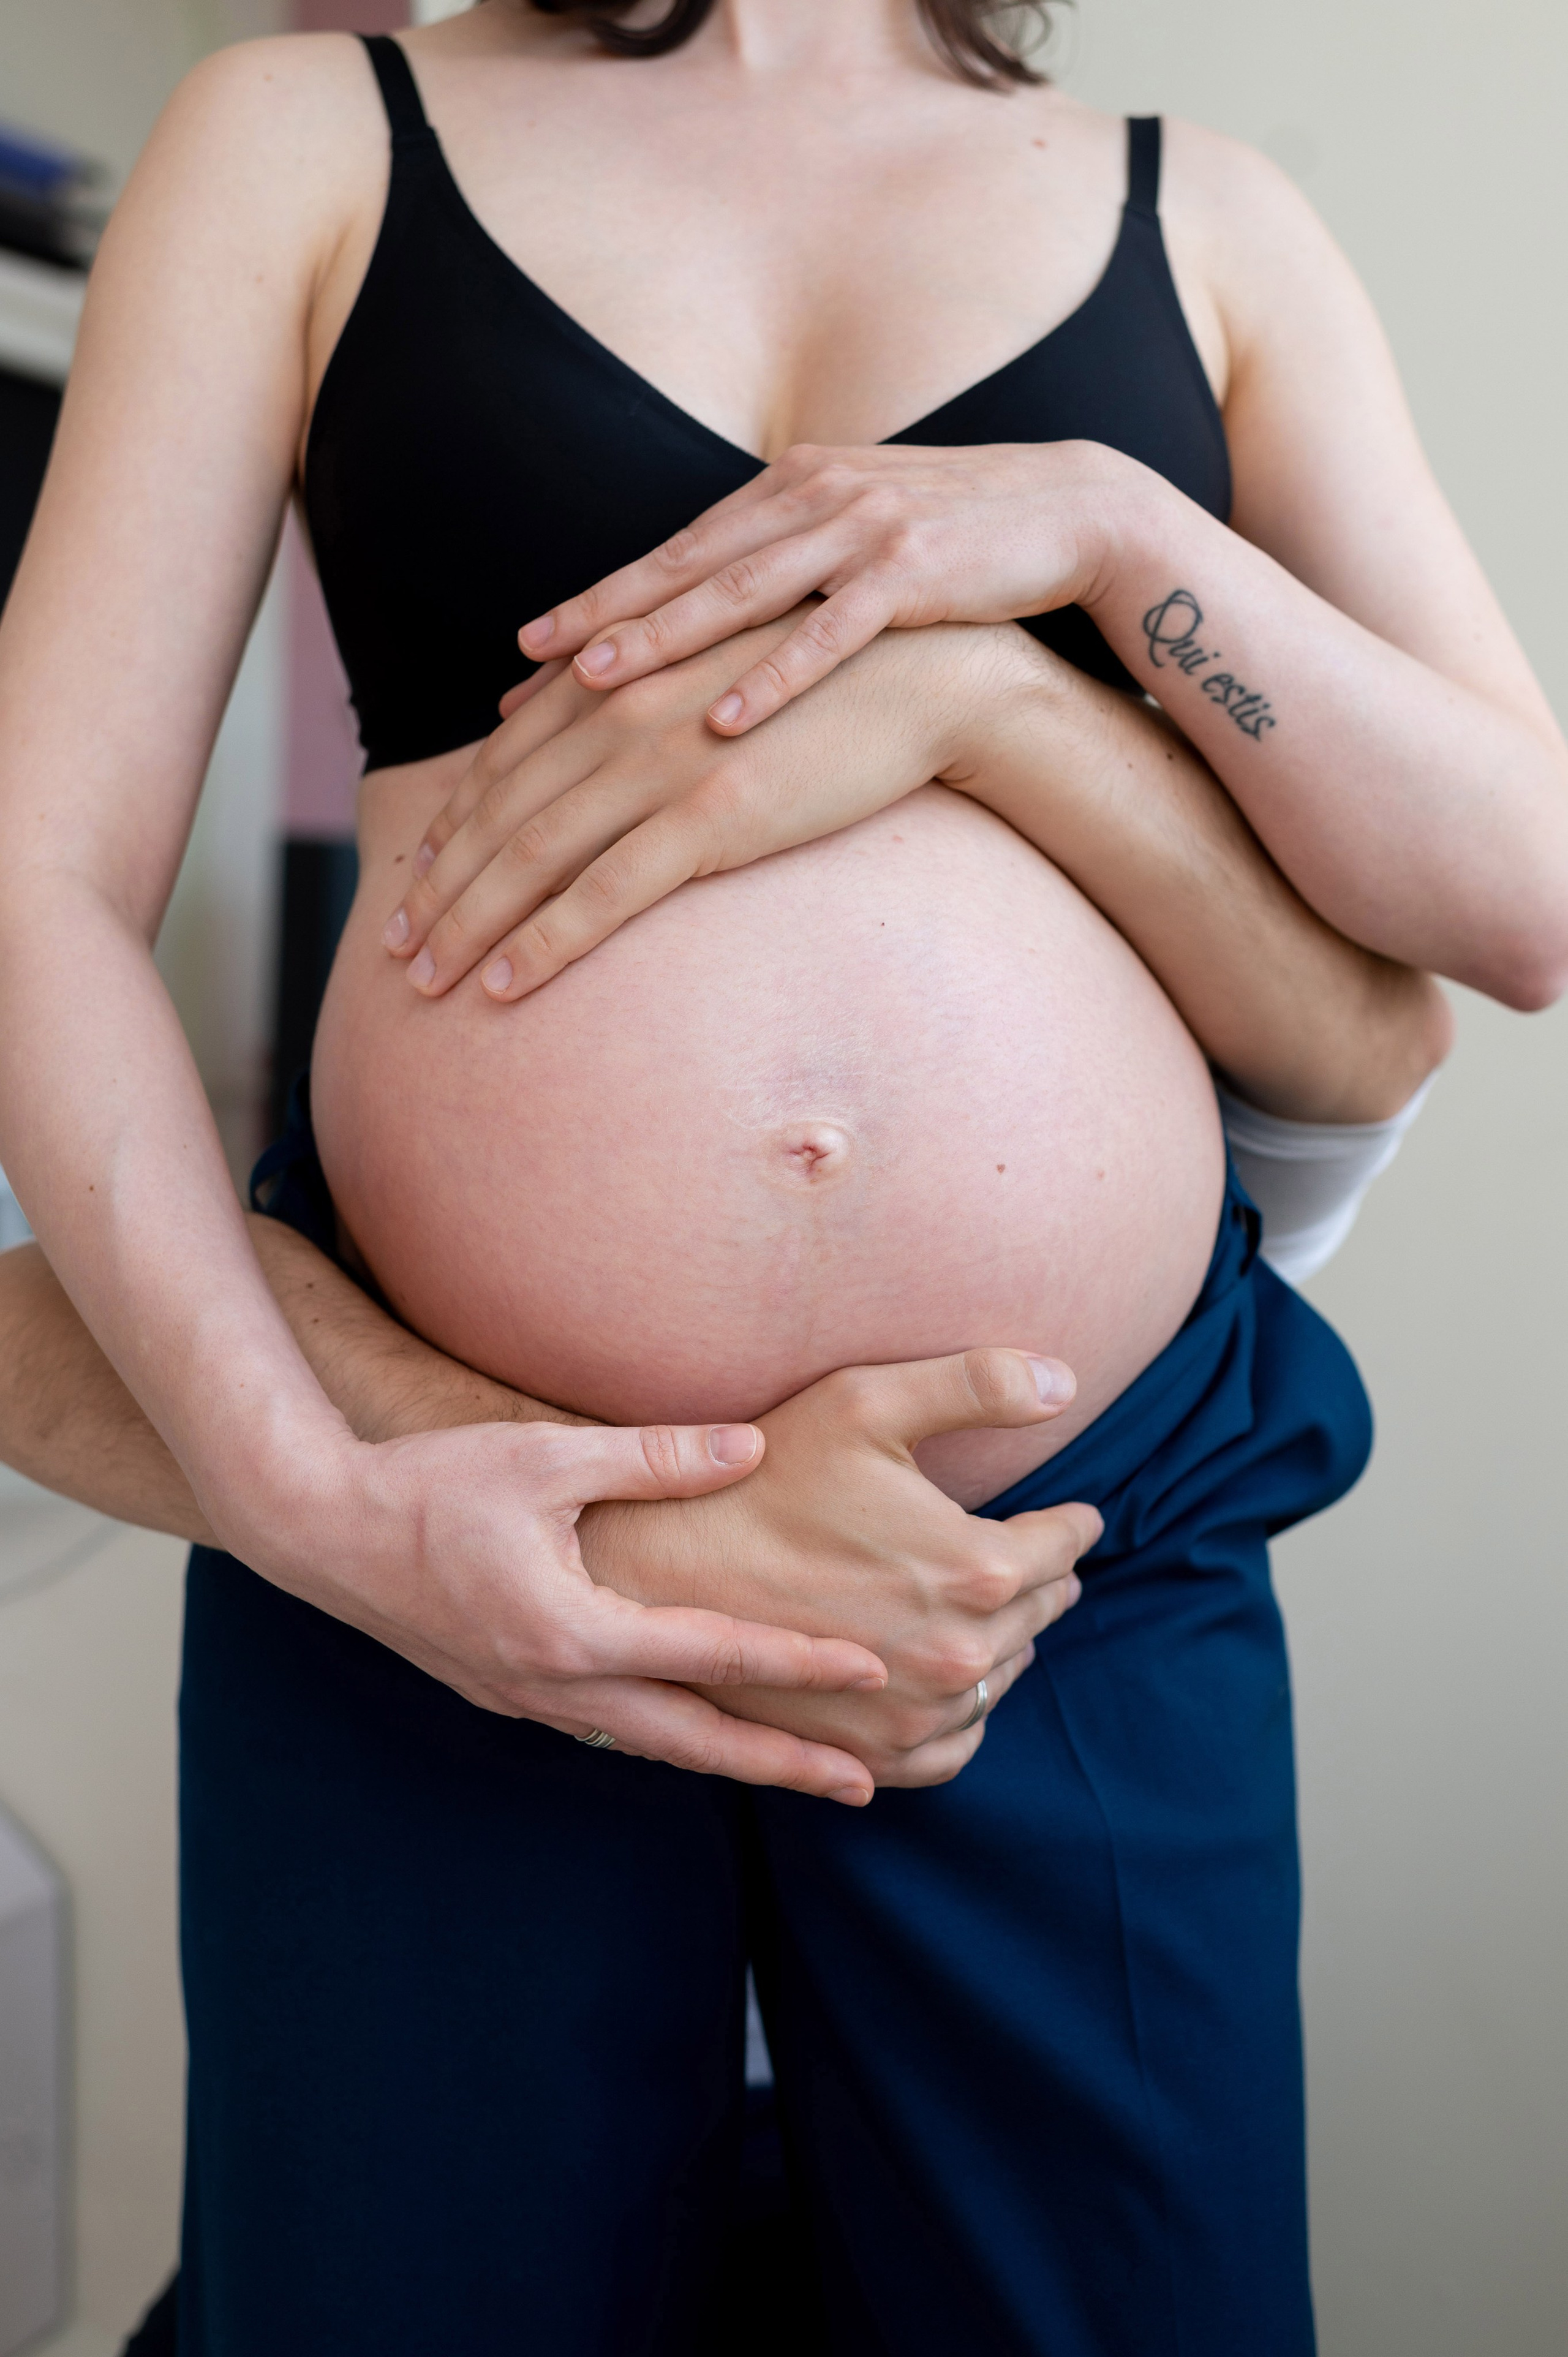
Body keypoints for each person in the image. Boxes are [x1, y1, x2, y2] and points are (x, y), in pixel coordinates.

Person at [0, 2, 1563, 2351]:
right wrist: (325, 1500)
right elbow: (33, 869)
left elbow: (1519, 893)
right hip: (450, 1572)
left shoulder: (1209, 216)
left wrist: (1109, 541)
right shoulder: (316, 133)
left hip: (1070, 1561)